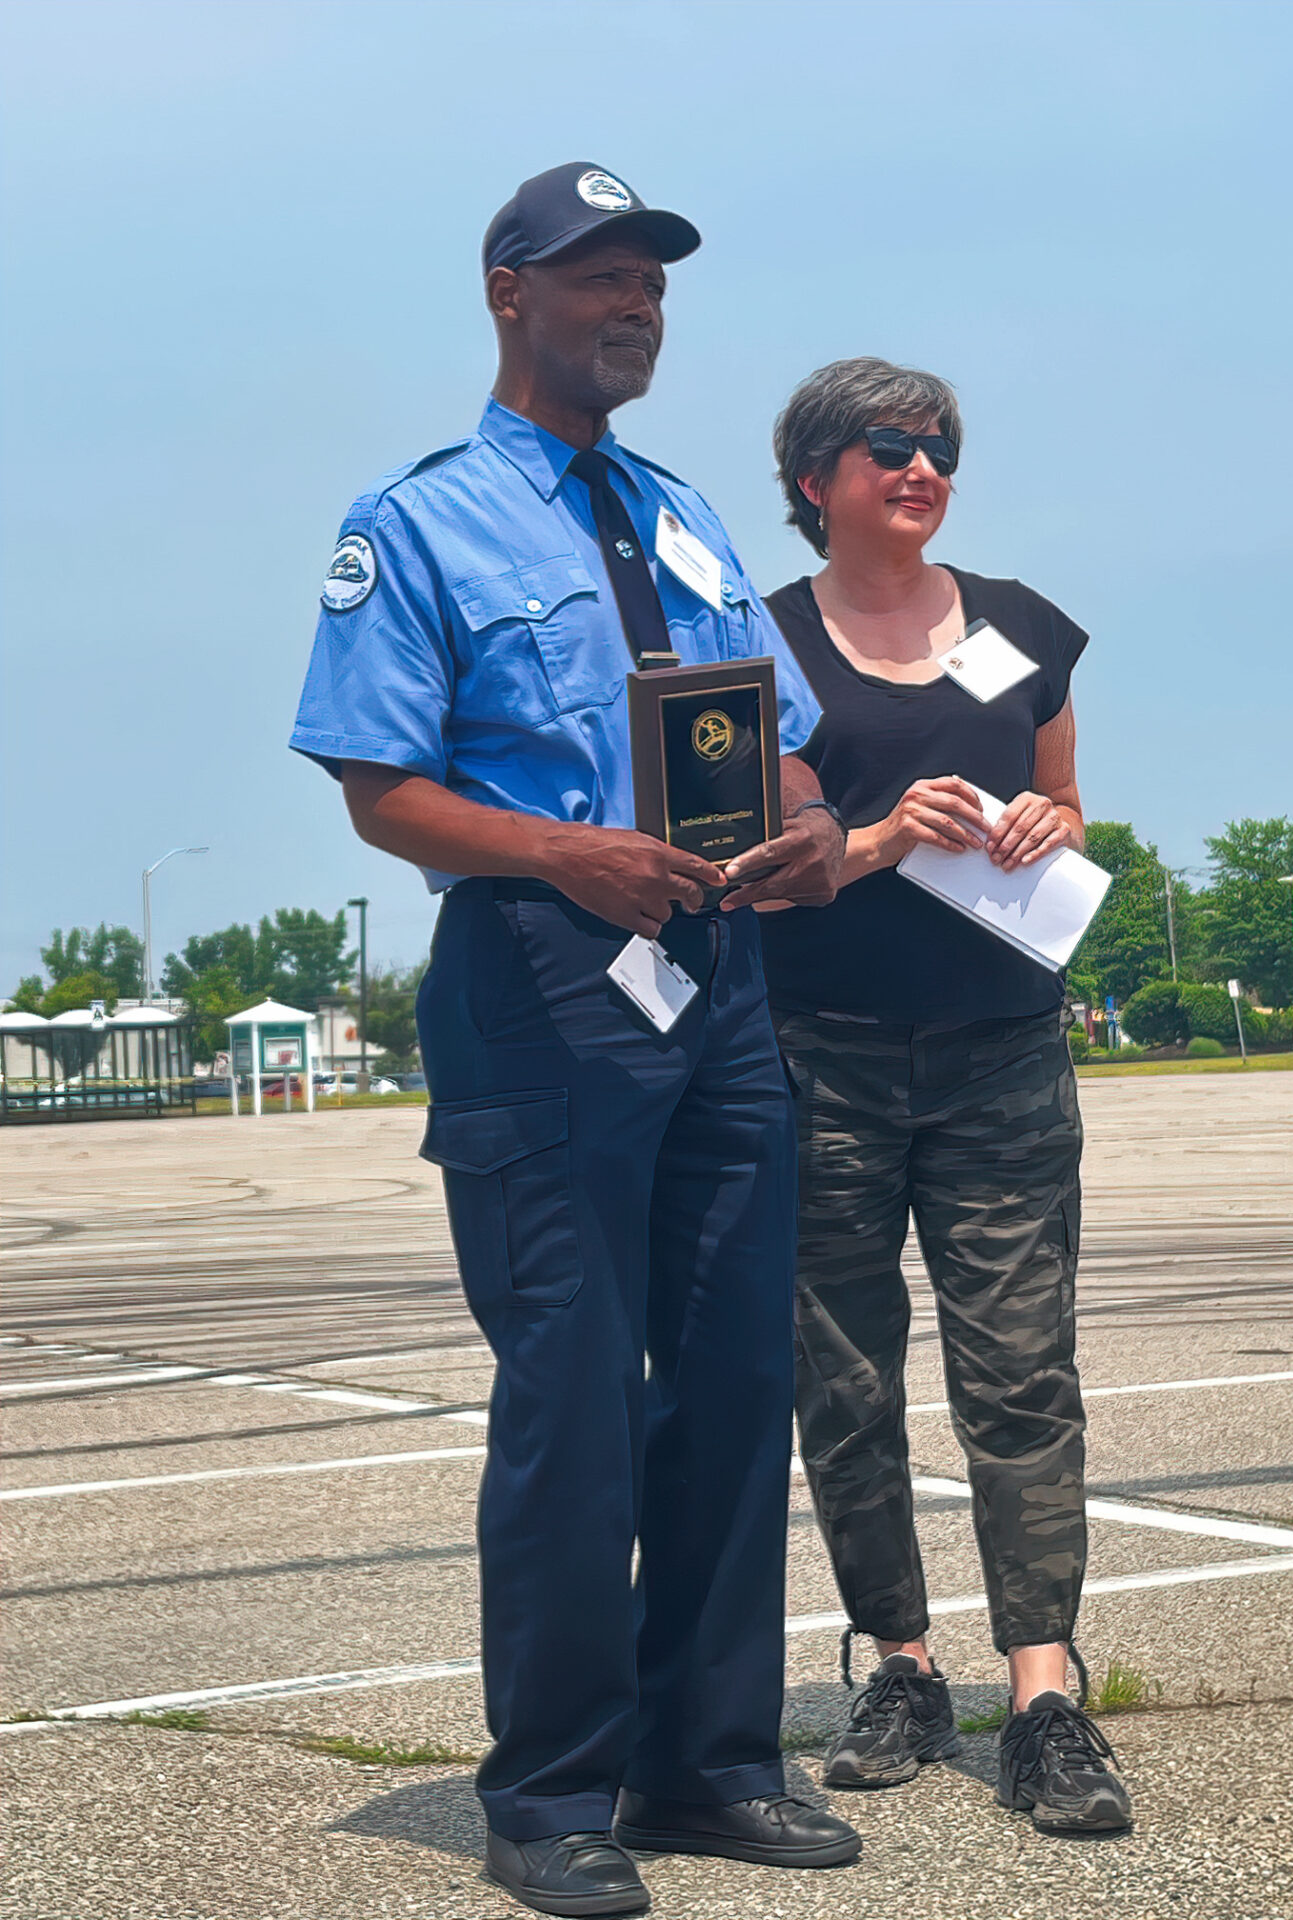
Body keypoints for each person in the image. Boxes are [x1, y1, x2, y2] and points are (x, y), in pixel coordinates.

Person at [290, 165, 859, 1918]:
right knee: (574, 1396)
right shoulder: (422, 522)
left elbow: (783, 745)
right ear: (505, 292)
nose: (635, 309)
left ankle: (709, 1762)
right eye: (600, 279)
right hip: (542, 981)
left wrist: (817, 829)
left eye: (654, 288)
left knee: (734, 1384)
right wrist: (563, 851)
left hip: (721, 979)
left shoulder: (686, 515)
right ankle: (549, 1794)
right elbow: (380, 791)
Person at [758, 357, 1133, 1835]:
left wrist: (1052, 819)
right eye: (887, 448)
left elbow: (1070, 804)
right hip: (822, 1057)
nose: (921, 468)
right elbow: (765, 863)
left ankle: (1044, 1691)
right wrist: (873, 835)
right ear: (814, 479)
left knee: (1022, 1375)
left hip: (1002, 1053)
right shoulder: (769, 641)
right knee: (844, 1384)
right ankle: (900, 1662)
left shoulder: (1026, 629)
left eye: (939, 449)